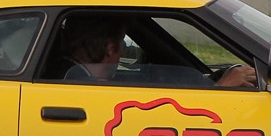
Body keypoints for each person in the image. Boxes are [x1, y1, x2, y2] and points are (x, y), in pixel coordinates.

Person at [60, 16, 257, 88]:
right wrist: (221, 88)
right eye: (122, 42)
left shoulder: (65, 73)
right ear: (111, 48)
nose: (122, 50)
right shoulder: (80, 84)